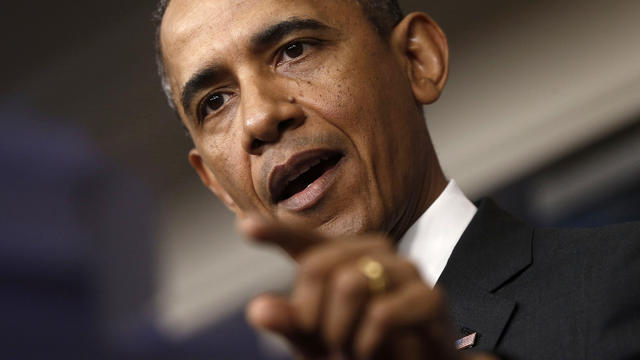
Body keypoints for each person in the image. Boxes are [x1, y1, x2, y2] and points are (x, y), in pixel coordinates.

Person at [153, 0, 640, 359]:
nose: (259, 118)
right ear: (217, 186)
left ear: (416, 59)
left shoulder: (623, 279)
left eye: (294, 49)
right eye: (214, 102)